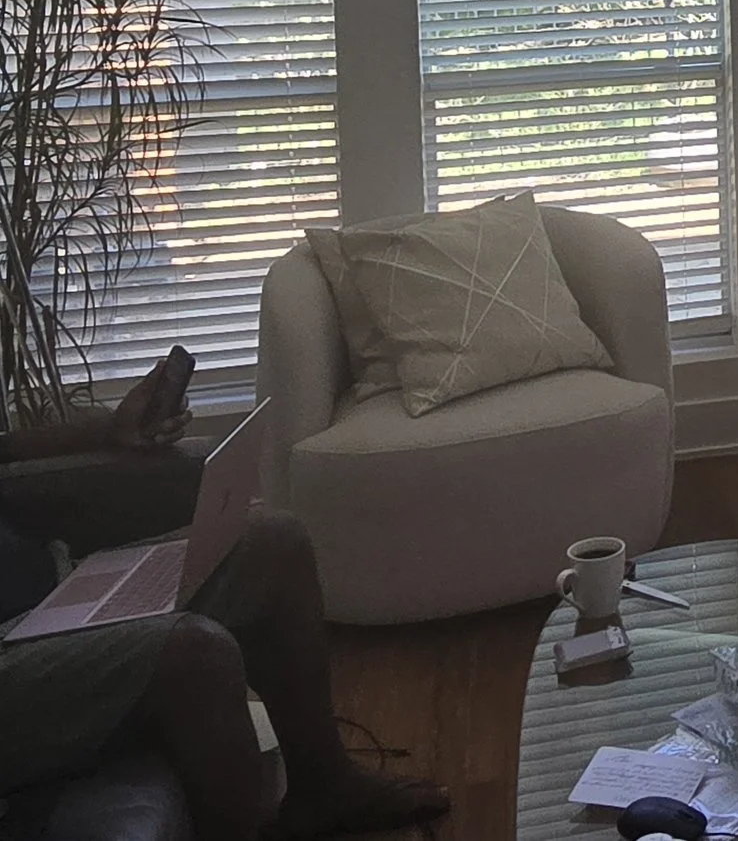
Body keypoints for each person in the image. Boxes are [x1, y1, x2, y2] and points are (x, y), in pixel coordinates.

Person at [0, 354, 449, 841]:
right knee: (193, 655)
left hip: (35, 589)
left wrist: (107, 430)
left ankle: (323, 787)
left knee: (274, 542)